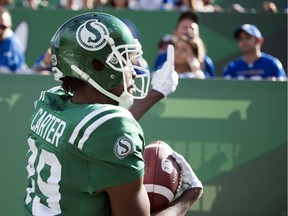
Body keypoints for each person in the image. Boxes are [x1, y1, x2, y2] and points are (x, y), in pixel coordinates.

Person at [24, 12, 203, 216]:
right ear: (96, 66)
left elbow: (94, 134)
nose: (133, 71)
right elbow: (105, 132)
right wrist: (189, 195)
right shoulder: (109, 128)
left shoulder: (51, 103)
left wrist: (157, 93)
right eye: (124, 60)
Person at [154, 11, 215, 78]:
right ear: (175, 32)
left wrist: (196, 70)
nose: (188, 31)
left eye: (192, 29)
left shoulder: (206, 62)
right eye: (184, 27)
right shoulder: (164, 57)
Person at [0, 6, 26, 73]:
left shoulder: (11, 43)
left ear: (9, 26)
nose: (0, 30)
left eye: (3, 27)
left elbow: (4, 72)